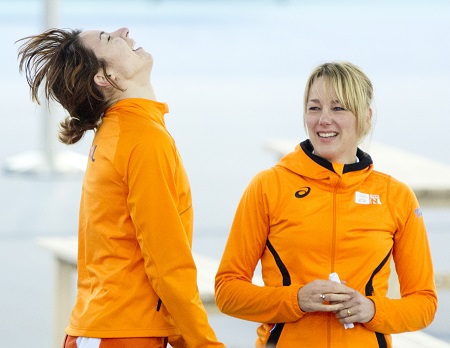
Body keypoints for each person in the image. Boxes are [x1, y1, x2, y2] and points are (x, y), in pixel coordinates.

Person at [17, 27, 224, 348]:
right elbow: (168, 262)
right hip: (124, 332)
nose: (124, 32)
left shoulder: (120, 130)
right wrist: (204, 343)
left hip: (106, 325)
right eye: (109, 39)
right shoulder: (141, 138)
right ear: (106, 76)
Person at [215, 62, 437, 347]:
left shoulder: (396, 196)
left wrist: (372, 310)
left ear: (365, 117)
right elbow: (227, 292)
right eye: (314, 107)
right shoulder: (269, 186)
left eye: (338, 108)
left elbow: (424, 304)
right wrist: (296, 300)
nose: (323, 119)